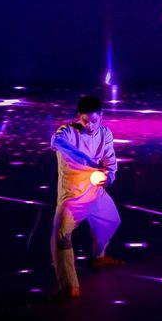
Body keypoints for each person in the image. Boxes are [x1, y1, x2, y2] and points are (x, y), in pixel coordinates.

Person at [50, 95, 123, 299]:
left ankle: (99, 256)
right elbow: (56, 141)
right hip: (71, 197)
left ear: (101, 117)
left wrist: (108, 177)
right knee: (61, 235)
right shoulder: (66, 132)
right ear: (78, 117)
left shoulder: (105, 133)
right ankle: (69, 286)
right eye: (85, 120)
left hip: (95, 192)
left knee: (111, 221)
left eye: (94, 121)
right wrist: (89, 163)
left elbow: (110, 162)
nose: (89, 125)